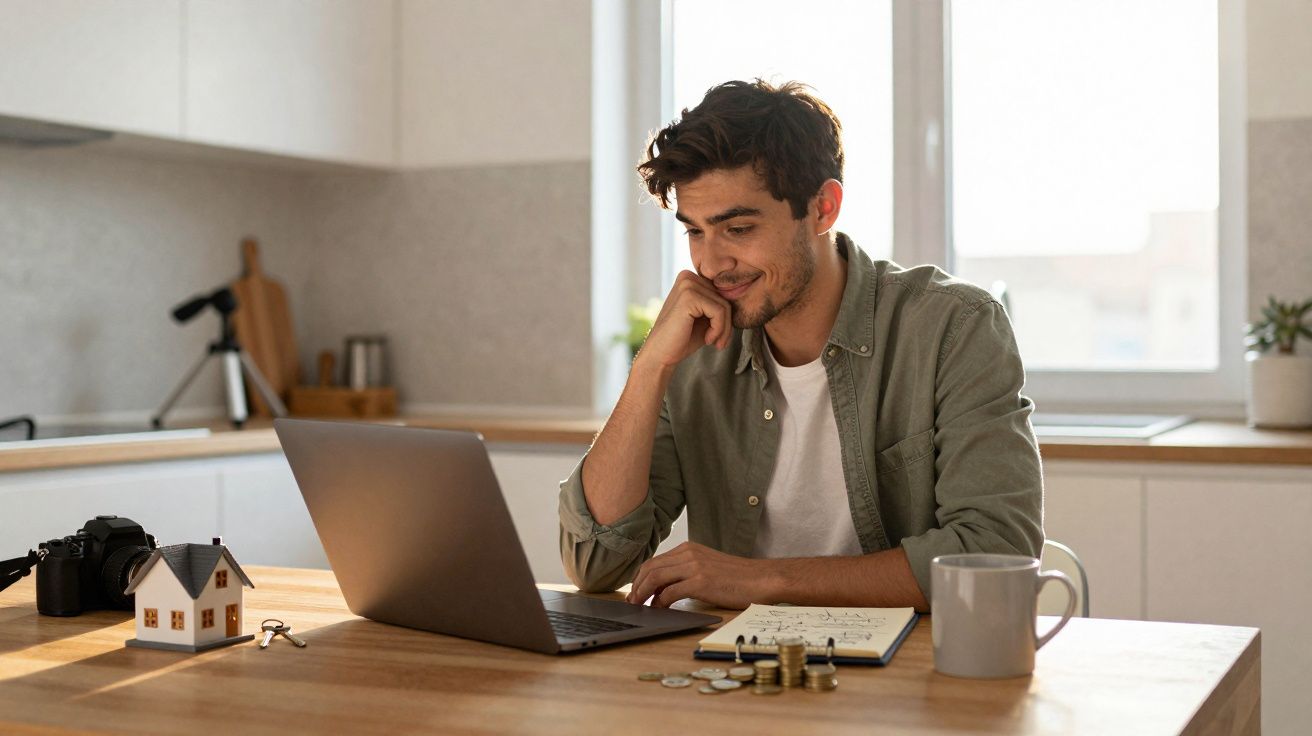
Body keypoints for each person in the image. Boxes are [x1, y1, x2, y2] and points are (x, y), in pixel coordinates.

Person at [558, 80, 1043, 611]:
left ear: (823, 209)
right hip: (732, 674)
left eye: (738, 228)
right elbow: (596, 563)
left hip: (907, 675)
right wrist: (650, 367)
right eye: (694, 232)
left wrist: (761, 580)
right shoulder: (695, 351)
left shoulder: (953, 328)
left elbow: (994, 553)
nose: (711, 264)